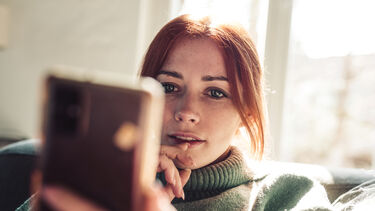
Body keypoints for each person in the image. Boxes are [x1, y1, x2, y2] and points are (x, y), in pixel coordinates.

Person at [17, 14, 335, 211]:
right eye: (169, 87)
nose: (187, 112)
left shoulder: (290, 194)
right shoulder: (94, 180)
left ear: (247, 114)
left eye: (215, 92)